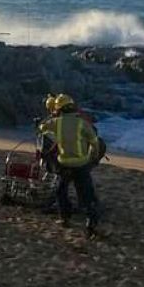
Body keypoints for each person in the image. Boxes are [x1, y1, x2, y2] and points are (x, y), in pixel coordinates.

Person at [37, 94, 100, 236]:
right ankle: (91, 221)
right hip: (81, 164)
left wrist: (50, 116)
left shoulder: (56, 123)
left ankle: (65, 217)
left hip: (64, 164)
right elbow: (94, 142)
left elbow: (41, 128)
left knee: (61, 191)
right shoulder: (82, 123)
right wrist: (93, 156)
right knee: (86, 193)